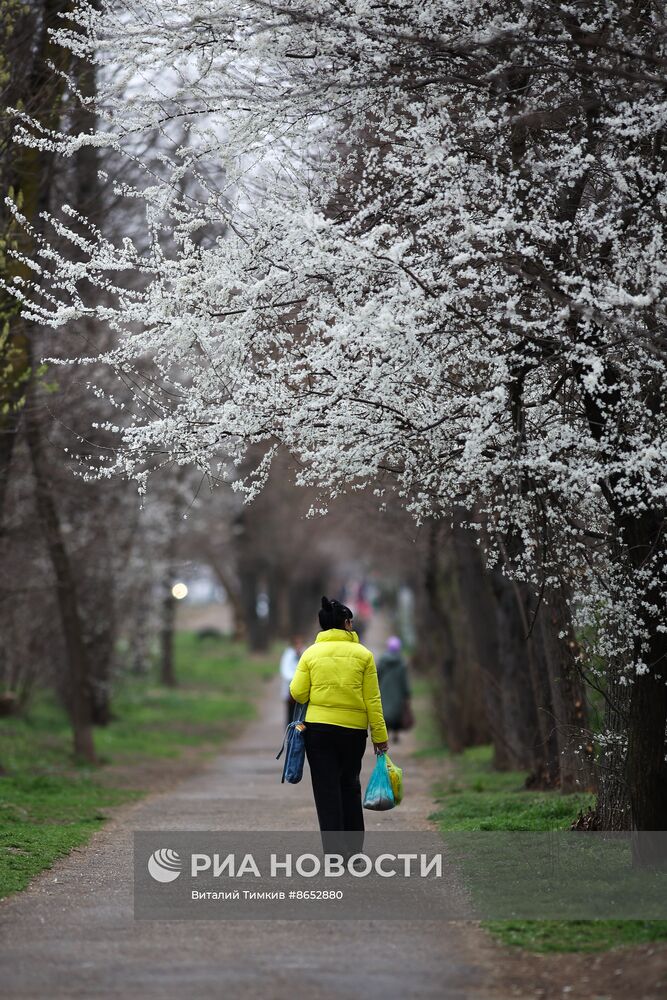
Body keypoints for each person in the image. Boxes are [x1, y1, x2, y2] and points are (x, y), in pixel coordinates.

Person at [290, 596, 389, 858]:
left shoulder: (311, 653)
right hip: (353, 732)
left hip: (319, 731)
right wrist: (380, 736)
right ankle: (354, 850)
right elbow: (373, 700)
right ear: (346, 623)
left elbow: (298, 693)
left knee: (326, 790)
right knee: (350, 784)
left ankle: (334, 852)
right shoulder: (364, 655)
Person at [377, 636, 411, 743]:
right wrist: (406, 693)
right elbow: (404, 680)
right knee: (397, 713)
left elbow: (377, 676)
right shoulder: (401, 663)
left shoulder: (382, 661)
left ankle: (385, 733)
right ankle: (396, 734)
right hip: (397, 692)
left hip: (384, 690)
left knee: (385, 712)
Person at [279, 636, 304, 729]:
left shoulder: (305, 652)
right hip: (290, 689)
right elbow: (285, 670)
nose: (299, 646)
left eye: (300, 643)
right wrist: (296, 678)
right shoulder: (288, 654)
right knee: (290, 713)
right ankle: (289, 732)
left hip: (302, 688)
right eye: (297, 644)